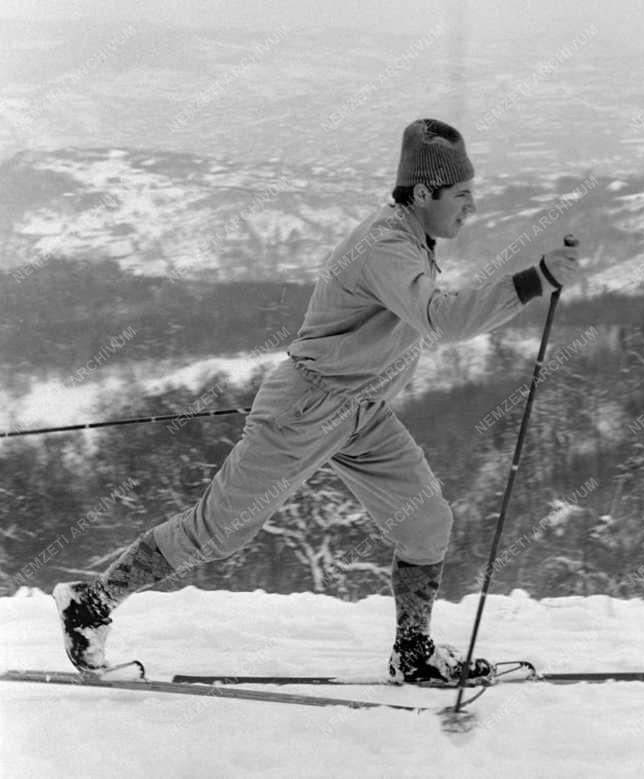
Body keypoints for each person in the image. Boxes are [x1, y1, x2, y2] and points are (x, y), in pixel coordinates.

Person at [53, 118, 581, 685]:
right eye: (462, 194)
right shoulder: (387, 246)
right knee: (219, 532)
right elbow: (441, 320)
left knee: (427, 523)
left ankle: (413, 651)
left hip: (362, 413)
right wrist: (536, 279)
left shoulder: (413, 239)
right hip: (306, 409)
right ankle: (92, 600)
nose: (470, 207)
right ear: (423, 193)